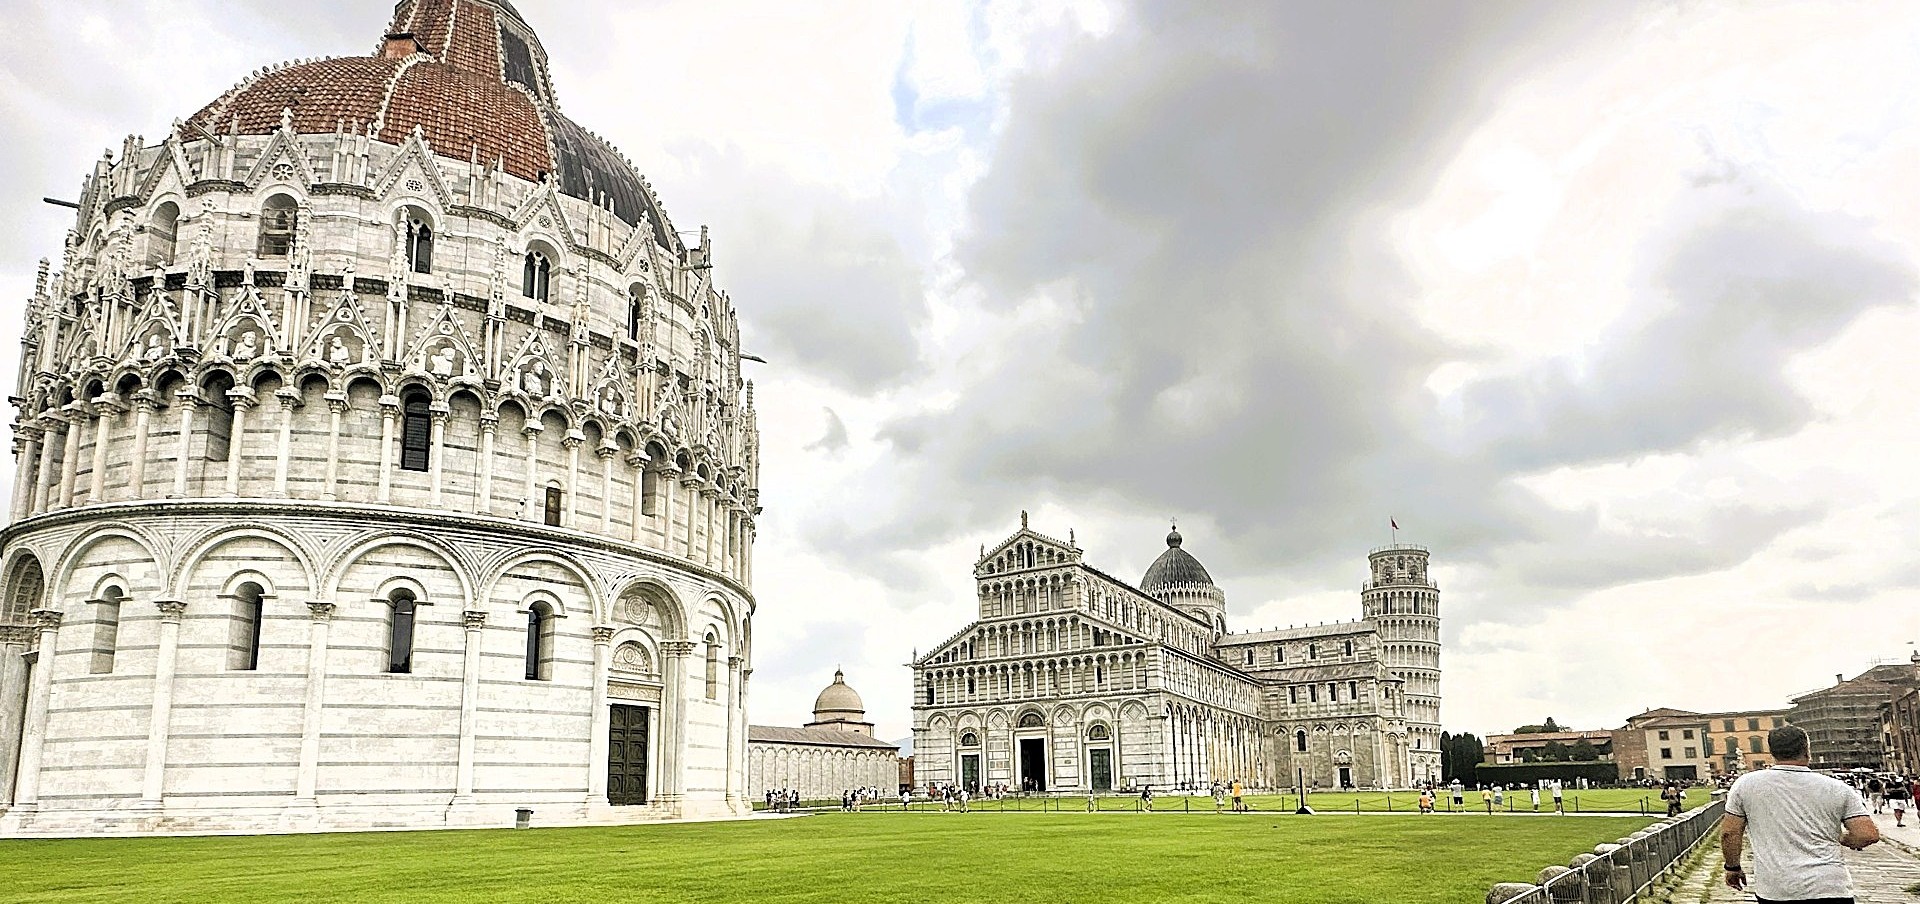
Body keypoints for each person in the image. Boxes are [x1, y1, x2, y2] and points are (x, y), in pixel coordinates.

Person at [1722, 725, 1879, 903]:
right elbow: (1867, 835)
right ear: (1807, 750)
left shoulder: (1746, 785)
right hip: (1830, 886)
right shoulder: (1837, 788)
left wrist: (1733, 867)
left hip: (1777, 888)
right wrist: (1841, 838)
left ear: (1772, 753)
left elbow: (1730, 833)